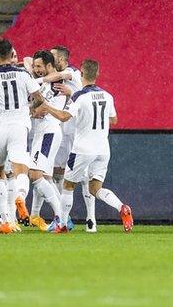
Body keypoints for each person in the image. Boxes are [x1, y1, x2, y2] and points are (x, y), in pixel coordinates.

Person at [0, 39, 63, 234]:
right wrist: (27, 108)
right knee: (20, 170)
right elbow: (39, 98)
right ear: (10, 54)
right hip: (18, 126)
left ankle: (5, 220)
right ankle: (21, 198)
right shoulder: (23, 74)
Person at [42, 59, 133, 232]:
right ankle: (122, 207)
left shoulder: (79, 96)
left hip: (83, 148)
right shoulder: (108, 96)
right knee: (95, 188)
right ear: (97, 74)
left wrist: (46, 106)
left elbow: (63, 116)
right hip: (103, 149)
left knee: (68, 186)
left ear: (81, 74)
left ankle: (61, 224)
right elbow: (114, 119)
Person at [50, 46, 98, 233]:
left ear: (62, 60)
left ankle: (90, 218)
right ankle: (63, 218)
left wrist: (42, 78)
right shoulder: (59, 76)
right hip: (61, 132)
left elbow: (64, 78)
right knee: (56, 173)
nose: (50, 58)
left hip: (78, 134)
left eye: (53, 57)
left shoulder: (73, 73)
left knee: (84, 177)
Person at [27, 50, 68, 231]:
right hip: (42, 133)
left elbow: (42, 108)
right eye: (35, 66)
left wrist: (38, 107)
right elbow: (27, 61)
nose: (36, 69)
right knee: (44, 177)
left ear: (50, 66)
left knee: (35, 174)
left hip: (49, 133)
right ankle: (40, 216)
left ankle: (61, 218)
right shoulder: (42, 82)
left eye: (40, 66)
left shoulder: (58, 83)